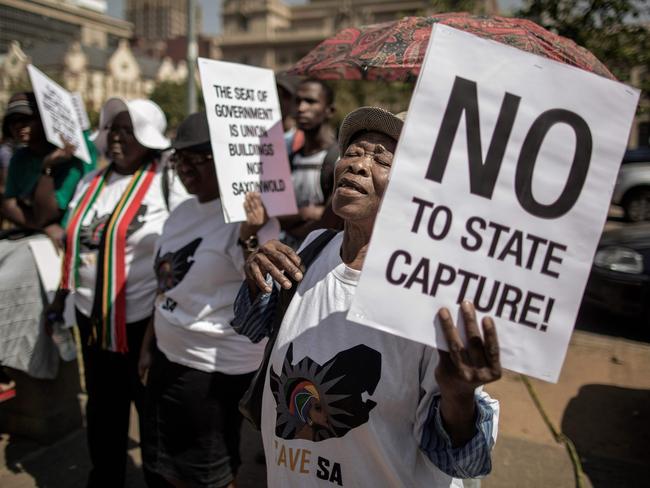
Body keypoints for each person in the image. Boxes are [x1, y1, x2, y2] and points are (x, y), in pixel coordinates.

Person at [232, 107, 502, 487]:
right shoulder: (312, 247)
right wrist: (255, 271)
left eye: (381, 159)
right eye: (355, 152)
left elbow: (463, 461)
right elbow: (248, 325)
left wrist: (459, 396)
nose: (359, 165)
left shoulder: (434, 293)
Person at [46, 97, 185, 488]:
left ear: (149, 136)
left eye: (128, 129)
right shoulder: (92, 180)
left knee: (152, 416)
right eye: (112, 128)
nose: (117, 137)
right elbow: (75, 245)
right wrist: (60, 300)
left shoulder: (167, 181)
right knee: (104, 413)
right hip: (92, 319)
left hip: (144, 323)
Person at [139, 112, 280, 488]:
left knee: (206, 473)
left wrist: (249, 236)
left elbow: (265, 291)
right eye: (178, 159)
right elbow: (166, 286)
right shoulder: (182, 211)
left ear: (225, 161)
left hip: (212, 373)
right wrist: (149, 345)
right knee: (159, 462)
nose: (184, 168)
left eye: (196, 158)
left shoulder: (252, 218)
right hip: (169, 358)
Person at [0, 92, 96, 398]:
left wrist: (47, 169)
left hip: (73, 247)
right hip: (36, 235)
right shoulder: (18, 158)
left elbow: (47, 210)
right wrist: (38, 222)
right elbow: (9, 203)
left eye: (26, 119)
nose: (19, 128)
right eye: (13, 122)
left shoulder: (75, 153)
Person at [280, 78, 340, 246]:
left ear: (330, 110)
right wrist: (305, 213)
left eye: (311, 101)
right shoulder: (290, 159)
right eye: (297, 101)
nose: (301, 108)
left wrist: (293, 222)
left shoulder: (338, 160)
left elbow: (330, 221)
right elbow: (276, 215)